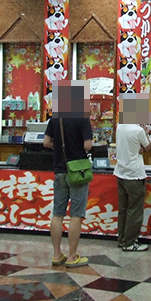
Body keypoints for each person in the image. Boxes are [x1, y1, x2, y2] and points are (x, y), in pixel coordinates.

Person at [43, 80, 93, 268]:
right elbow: (87, 145)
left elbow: (46, 143)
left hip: (59, 171)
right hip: (77, 171)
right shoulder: (82, 118)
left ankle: (57, 255)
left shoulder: (55, 118)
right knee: (76, 214)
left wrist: (59, 148)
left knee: (57, 213)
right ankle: (72, 256)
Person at [114, 93, 151, 251]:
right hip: (135, 175)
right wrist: (145, 132)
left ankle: (122, 239)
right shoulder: (138, 130)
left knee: (123, 209)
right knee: (135, 210)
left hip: (121, 173)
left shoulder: (120, 127)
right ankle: (130, 243)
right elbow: (148, 147)